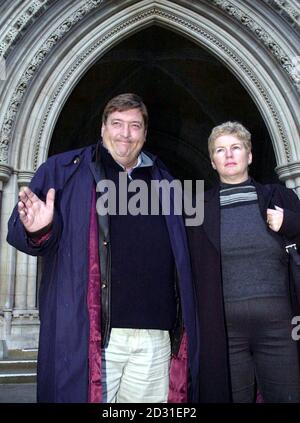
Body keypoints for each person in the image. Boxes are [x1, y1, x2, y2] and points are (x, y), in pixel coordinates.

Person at [7, 93, 200, 403]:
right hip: (94, 339)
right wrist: (40, 228)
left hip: (156, 337)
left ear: (145, 133)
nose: (125, 134)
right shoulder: (64, 171)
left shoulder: (165, 180)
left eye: (135, 126)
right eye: (117, 124)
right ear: (102, 128)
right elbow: (22, 235)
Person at [187, 121, 300, 403]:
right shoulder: (198, 209)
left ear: (249, 156)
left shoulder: (279, 197)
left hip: (280, 324)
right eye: (220, 150)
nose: (229, 155)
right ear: (212, 161)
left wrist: (291, 222)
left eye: (236, 148)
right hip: (223, 329)